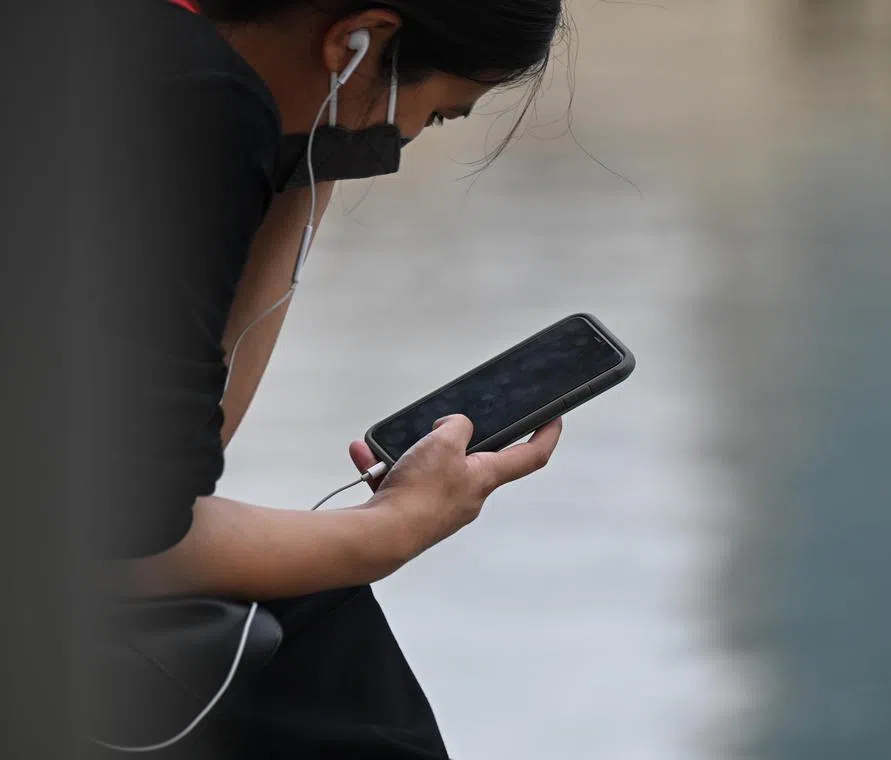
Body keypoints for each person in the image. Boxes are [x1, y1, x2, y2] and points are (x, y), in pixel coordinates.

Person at [83, 0, 565, 757]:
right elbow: (125, 541)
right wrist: (391, 531)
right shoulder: (197, 98)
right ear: (356, 37)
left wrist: (317, 159)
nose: (400, 143)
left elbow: (159, 475)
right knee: (321, 633)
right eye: (436, 116)